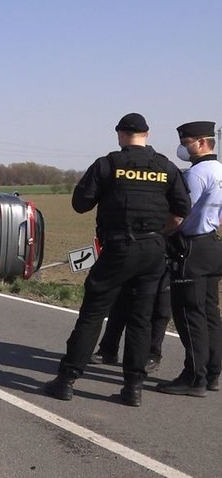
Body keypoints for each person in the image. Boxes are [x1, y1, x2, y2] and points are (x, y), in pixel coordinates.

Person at [43, 113, 190, 407]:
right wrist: (157, 233)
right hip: (152, 251)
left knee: (93, 313)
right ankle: (133, 388)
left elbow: (80, 204)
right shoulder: (166, 167)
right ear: (147, 134)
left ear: (120, 134)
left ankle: (67, 380)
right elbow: (182, 211)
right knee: (140, 320)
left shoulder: (108, 164)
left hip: (119, 247)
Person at [157, 121, 222, 397]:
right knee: (210, 314)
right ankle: (213, 372)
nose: (184, 148)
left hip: (190, 248)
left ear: (203, 143)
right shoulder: (220, 170)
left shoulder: (196, 174)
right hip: (212, 245)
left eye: (187, 143)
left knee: (188, 314)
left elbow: (179, 213)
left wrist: (157, 233)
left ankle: (194, 377)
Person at [90, 265, 172, 372]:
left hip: (167, 266)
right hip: (137, 260)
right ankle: (108, 350)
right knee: (120, 303)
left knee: (160, 310)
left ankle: (153, 355)